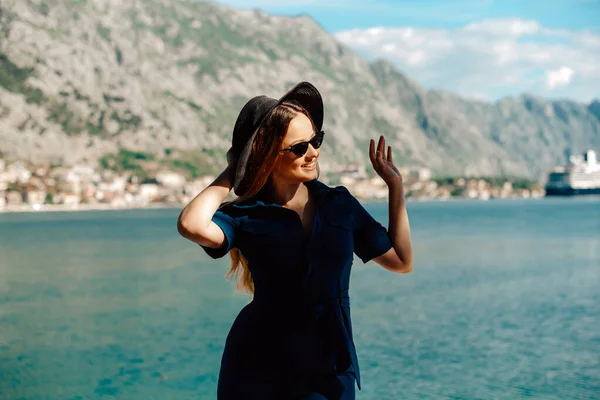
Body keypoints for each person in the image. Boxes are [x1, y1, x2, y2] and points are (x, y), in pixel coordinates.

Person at [177, 81, 413, 400]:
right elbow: (191, 224)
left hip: (330, 368)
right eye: (299, 147)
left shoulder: (340, 205)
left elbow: (401, 261)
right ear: (269, 156)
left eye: (316, 140)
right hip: (256, 366)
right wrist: (235, 169)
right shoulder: (246, 214)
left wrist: (395, 187)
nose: (313, 152)